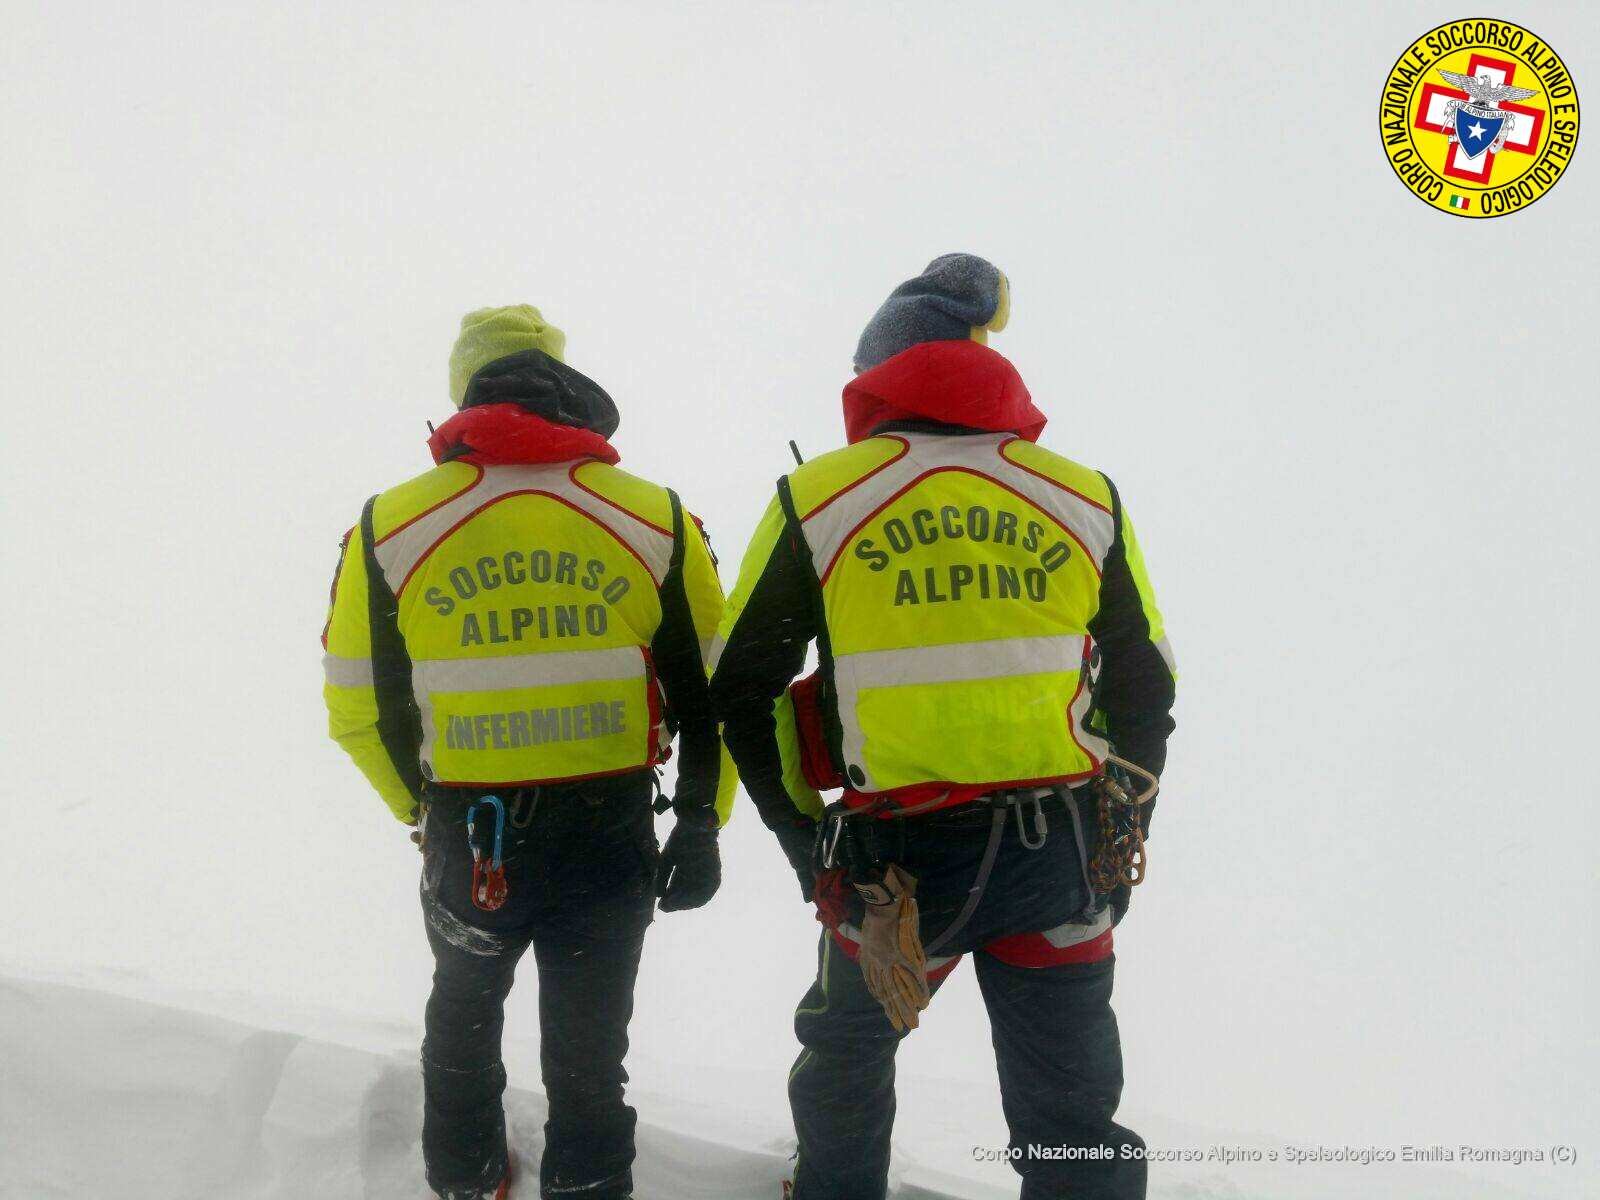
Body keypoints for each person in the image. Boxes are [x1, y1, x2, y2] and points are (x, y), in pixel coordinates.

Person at [708, 255, 1176, 1200]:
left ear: (876, 378)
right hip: (1058, 854)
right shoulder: (1085, 496)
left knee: (845, 1061)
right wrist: (1122, 830)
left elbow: (741, 688)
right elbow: (1145, 685)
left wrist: (804, 841)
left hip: (895, 870)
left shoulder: (820, 498)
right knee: (1071, 1112)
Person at [322, 305, 736, 1200]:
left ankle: (467, 1180)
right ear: (563, 383)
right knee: (590, 1053)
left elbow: (359, 709)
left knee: (462, 1023)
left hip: (472, 837)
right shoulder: (654, 518)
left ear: (464, 390)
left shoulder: (389, 528)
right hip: (607, 837)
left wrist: (422, 812)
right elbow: (714, 698)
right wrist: (702, 818)